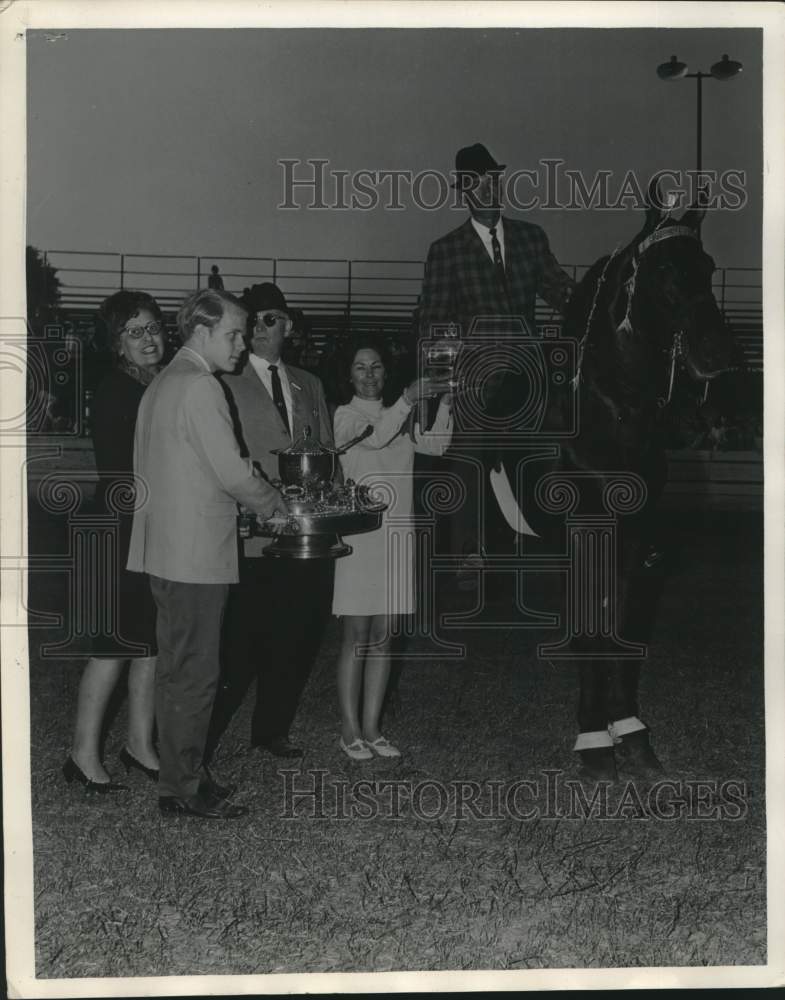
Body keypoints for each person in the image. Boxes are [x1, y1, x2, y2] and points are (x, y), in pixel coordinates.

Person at [127, 288, 284, 819]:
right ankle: (185, 789)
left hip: (166, 552)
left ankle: (179, 779)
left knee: (178, 671)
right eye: (234, 334)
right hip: (193, 558)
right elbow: (234, 471)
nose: (243, 344)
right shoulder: (200, 387)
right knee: (195, 674)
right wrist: (275, 507)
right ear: (200, 332)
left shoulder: (163, 385)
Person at [417, 143, 575, 572]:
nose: (487, 190)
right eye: (476, 184)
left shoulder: (530, 237)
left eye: (493, 180)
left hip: (530, 375)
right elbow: (434, 322)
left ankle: (565, 540)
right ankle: (470, 553)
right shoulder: (445, 250)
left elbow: (561, 292)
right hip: (475, 381)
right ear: (464, 192)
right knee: (468, 459)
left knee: (565, 447)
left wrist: (593, 301)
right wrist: (447, 383)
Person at [205, 283, 334, 760]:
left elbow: (325, 454)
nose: (260, 328)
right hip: (252, 536)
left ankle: (272, 728)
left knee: (298, 635)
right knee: (239, 643)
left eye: (271, 318)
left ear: (289, 326)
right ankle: (205, 735)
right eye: (253, 320)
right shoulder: (224, 382)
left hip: (303, 538)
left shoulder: (310, 383)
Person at [332, 336, 453, 760]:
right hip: (360, 539)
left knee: (384, 636)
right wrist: (407, 399)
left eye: (377, 366)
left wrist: (447, 400)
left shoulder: (400, 415)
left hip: (397, 536)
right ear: (349, 374)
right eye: (361, 367)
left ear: (386, 371)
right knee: (356, 636)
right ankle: (349, 729)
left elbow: (437, 444)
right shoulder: (345, 417)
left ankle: (372, 727)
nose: (369, 375)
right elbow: (376, 438)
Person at [63, 290, 165, 792]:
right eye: (135, 331)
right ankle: (82, 755)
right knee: (116, 644)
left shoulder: (161, 383)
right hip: (120, 526)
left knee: (151, 644)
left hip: (153, 525)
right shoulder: (114, 390)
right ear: (117, 343)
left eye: (153, 328)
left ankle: (139, 744)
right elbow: (123, 473)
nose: (148, 339)